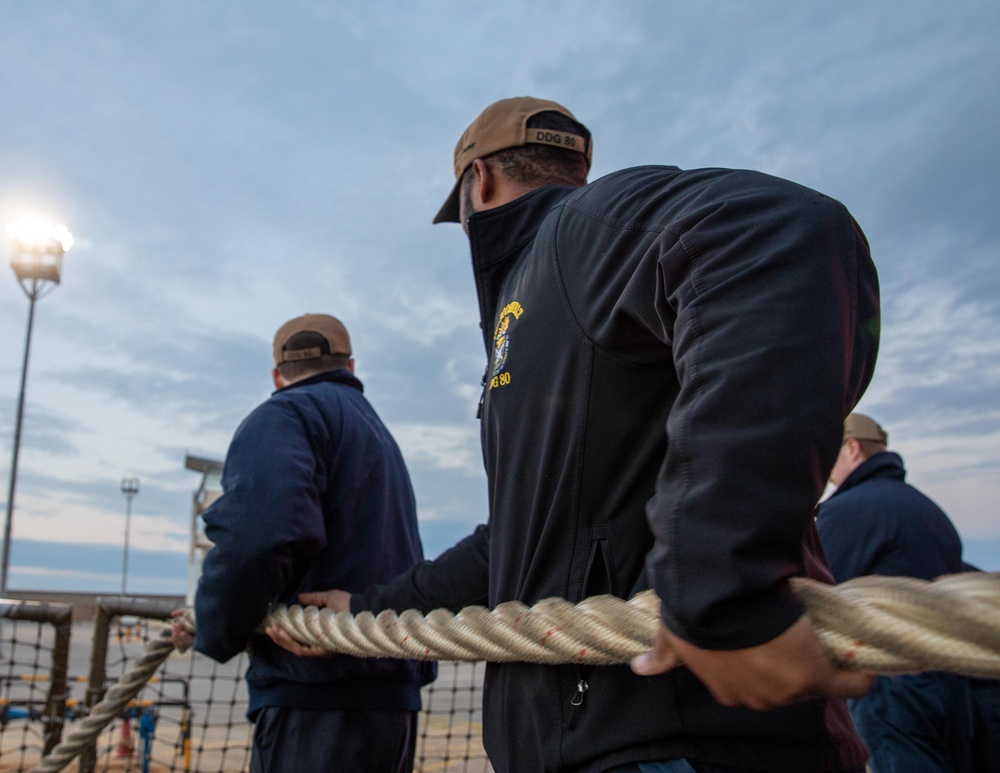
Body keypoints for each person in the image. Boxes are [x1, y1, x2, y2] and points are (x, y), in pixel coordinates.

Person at [271, 97, 879, 772]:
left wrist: (719, 578)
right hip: (587, 741)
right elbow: (524, 538)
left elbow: (773, 229)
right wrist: (368, 607)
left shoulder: (576, 234)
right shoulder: (544, 302)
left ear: (481, 181)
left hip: (673, 739)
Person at [172, 313, 434, 773]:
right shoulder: (379, 437)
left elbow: (257, 536)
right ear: (350, 368)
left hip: (316, 700)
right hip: (391, 702)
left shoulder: (286, 412)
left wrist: (211, 625)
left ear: (277, 375)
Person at [817, 413, 999, 772]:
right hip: (953, 682)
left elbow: (820, 595)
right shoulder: (927, 510)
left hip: (891, 688)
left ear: (852, 449)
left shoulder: (848, 510)